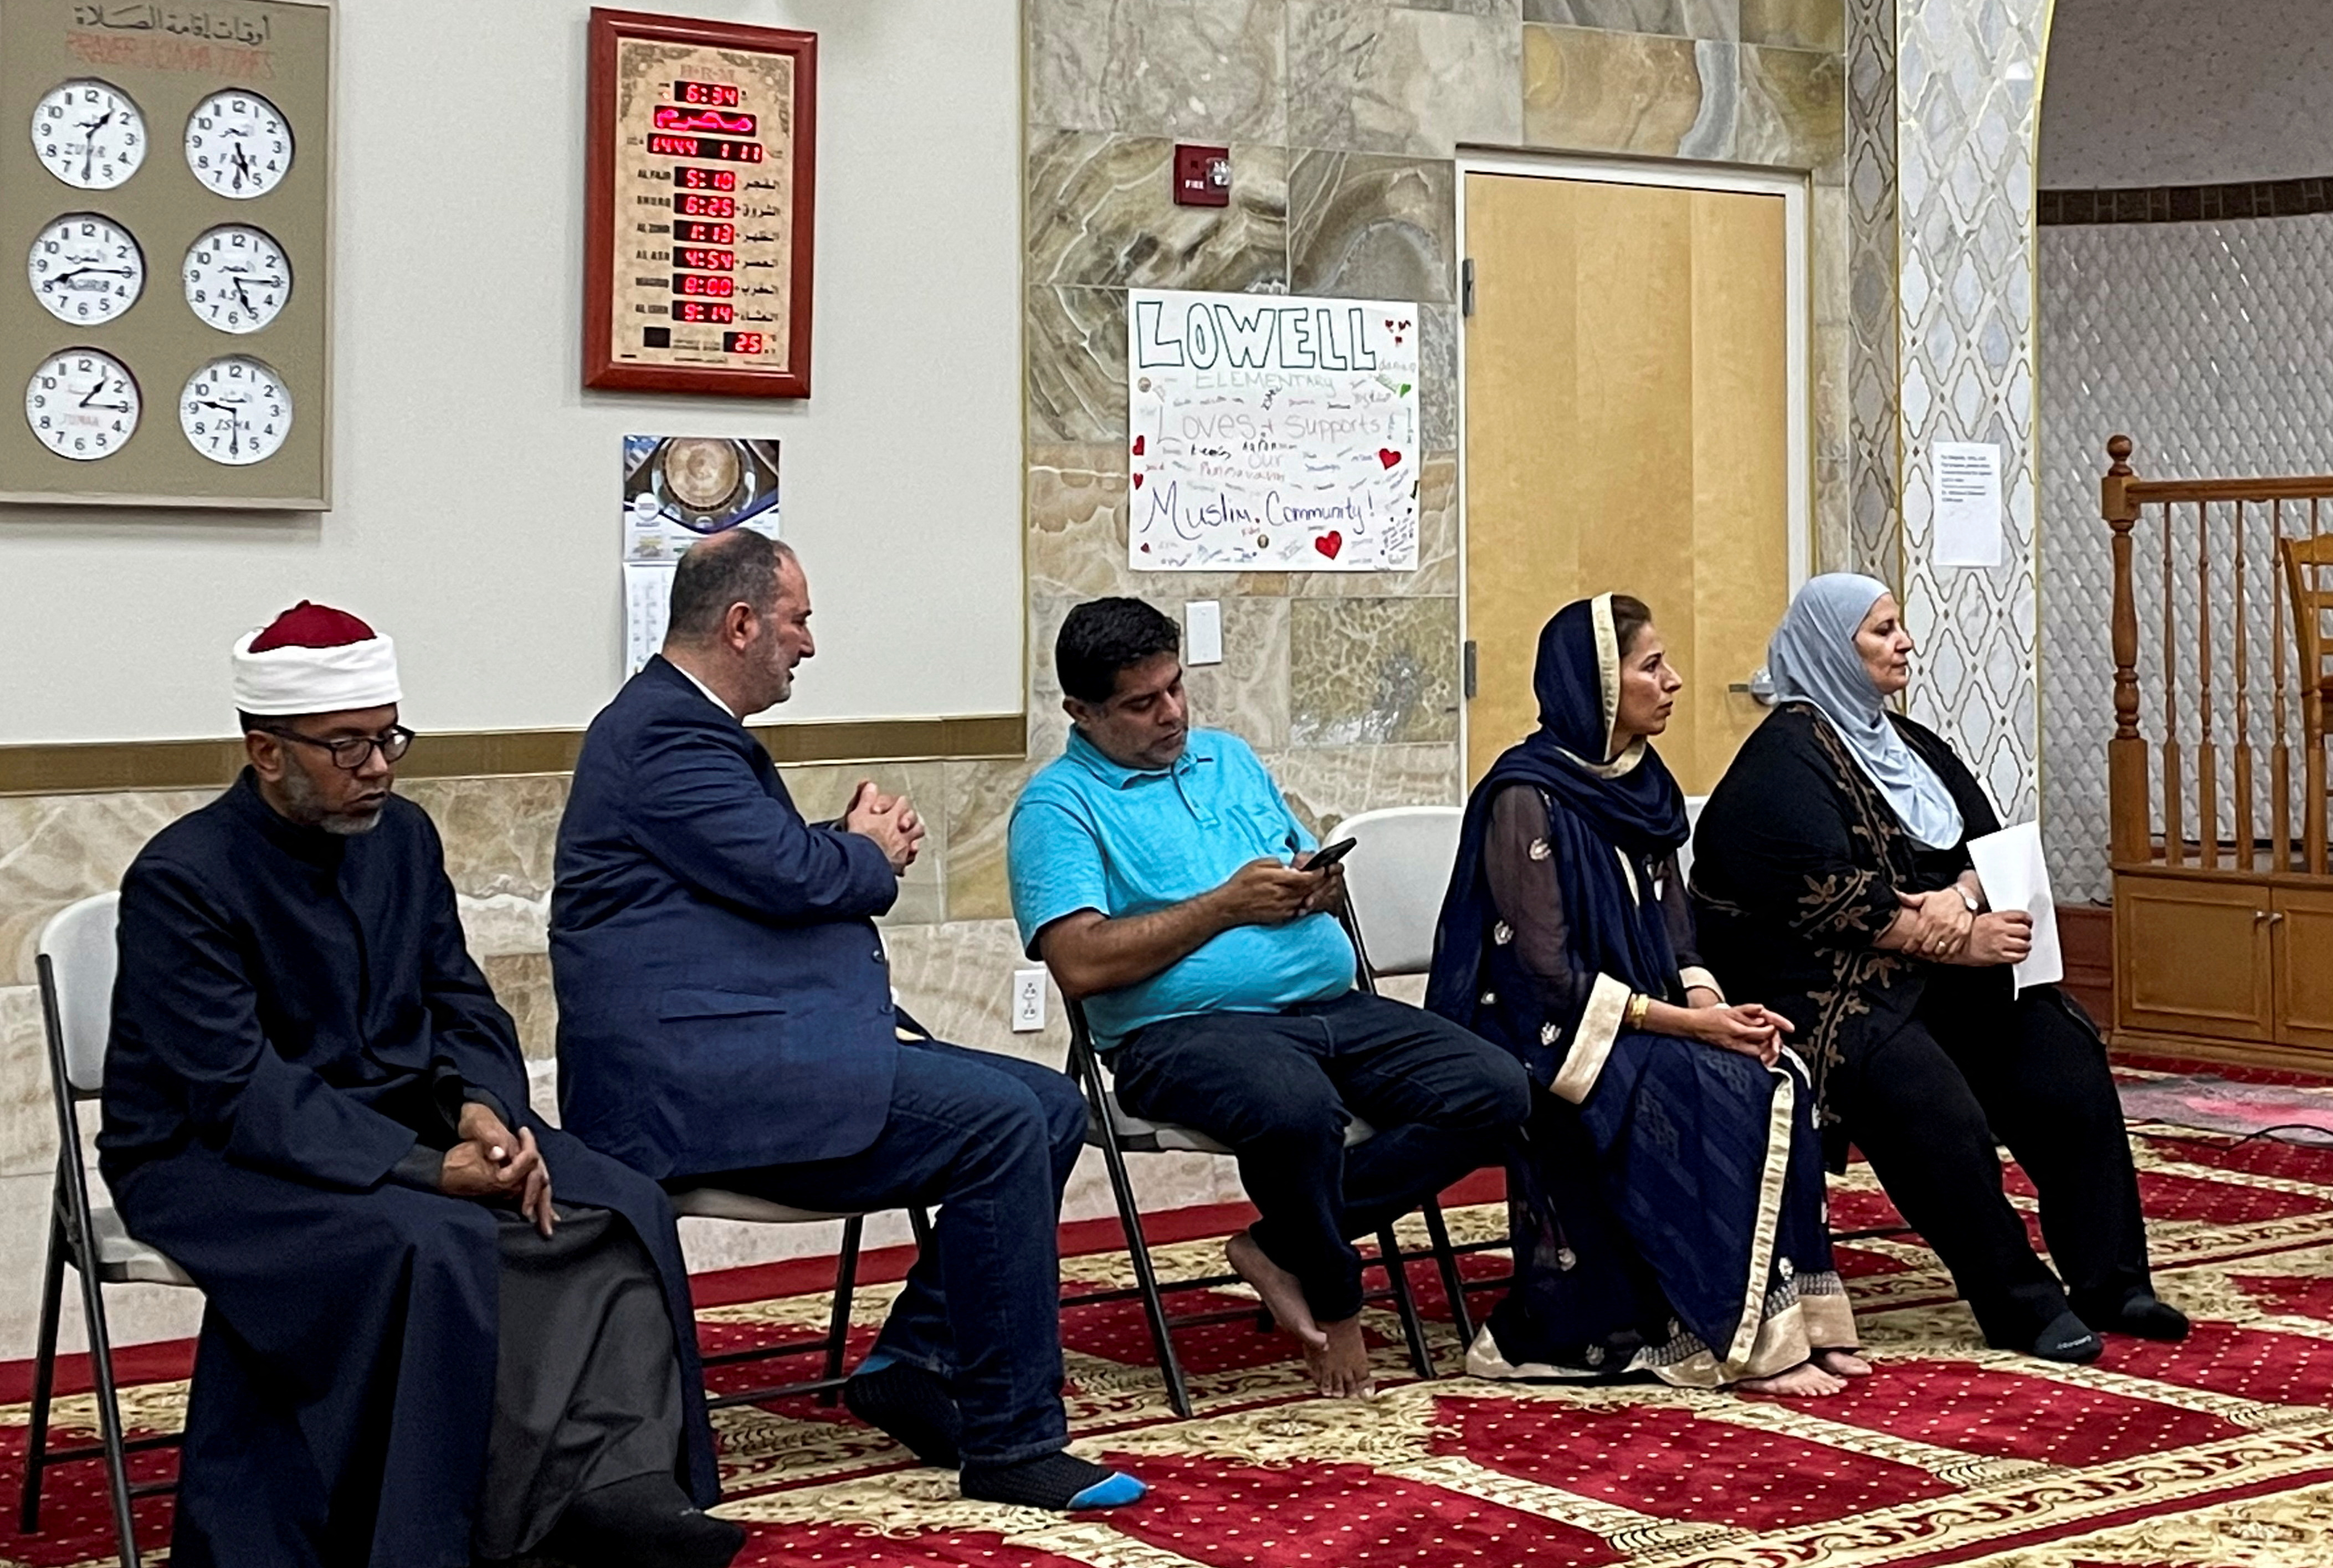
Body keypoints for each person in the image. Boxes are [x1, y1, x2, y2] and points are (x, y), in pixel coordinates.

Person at [103, 603, 737, 1568]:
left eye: (389, 736)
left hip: (407, 1120)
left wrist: (484, 1108)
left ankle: (621, 1488)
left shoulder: (401, 838)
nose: (379, 767)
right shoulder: (185, 877)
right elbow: (236, 1087)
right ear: (266, 750)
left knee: (620, 1203)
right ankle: (453, 1523)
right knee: (435, 1237)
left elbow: (457, 997)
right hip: (209, 1157)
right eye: (346, 745)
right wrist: (420, 1165)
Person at [552, 532, 1140, 1513]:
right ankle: (1013, 1440)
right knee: (1002, 1122)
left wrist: (845, 842)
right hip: (703, 1084)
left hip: (755, 1049)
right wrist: (864, 854)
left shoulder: (681, 729)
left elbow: (751, 867)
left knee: (1045, 1101)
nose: (809, 644)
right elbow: (788, 876)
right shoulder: (666, 735)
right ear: (741, 625)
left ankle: (913, 1362)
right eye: (799, 620)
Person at [1015, 597, 1530, 1400]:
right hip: (1179, 1031)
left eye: (1177, 689)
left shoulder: (1229, 758)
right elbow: (1078, 963)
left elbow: (1293, 859)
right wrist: (1226, 904)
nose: (1172, 713)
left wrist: (1316, 886)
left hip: (1329, 1005)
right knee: (1297, 1110)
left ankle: (1281, 1244)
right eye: (1142, 703)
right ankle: (1335, 1295)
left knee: (1498, 1087)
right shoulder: (1058, 807)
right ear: (1081, 711)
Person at [1694, 574, 2186, 1363]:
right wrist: (1959, 933)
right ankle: (2017, 1300)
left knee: (2062, 1052)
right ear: (1830, 649)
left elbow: (1989, 849)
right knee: (1931, 1099)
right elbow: (1844, 904)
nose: (1905, 643)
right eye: (1882, 631)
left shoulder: (1912, 744)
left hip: (1935, 976)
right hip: (1823, 993)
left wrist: (1959, 899)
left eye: (1900, 626)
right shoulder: (1782, 763)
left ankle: (2111, 1279)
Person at [1432, 595, 1864, 1396]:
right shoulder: (1526, 794)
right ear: (1597, 683)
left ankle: (1795, 1319)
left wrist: (1714, 1008)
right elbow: (1543, 974)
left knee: (1778, 1070)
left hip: (1639, 1017)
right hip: (1551, 1033)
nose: (1672, 681)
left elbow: (1677, 937)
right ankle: (1727, 1332)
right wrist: (1695, 1030)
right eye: (1650, 666)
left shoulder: (1643, 783)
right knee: (1710, 1084)